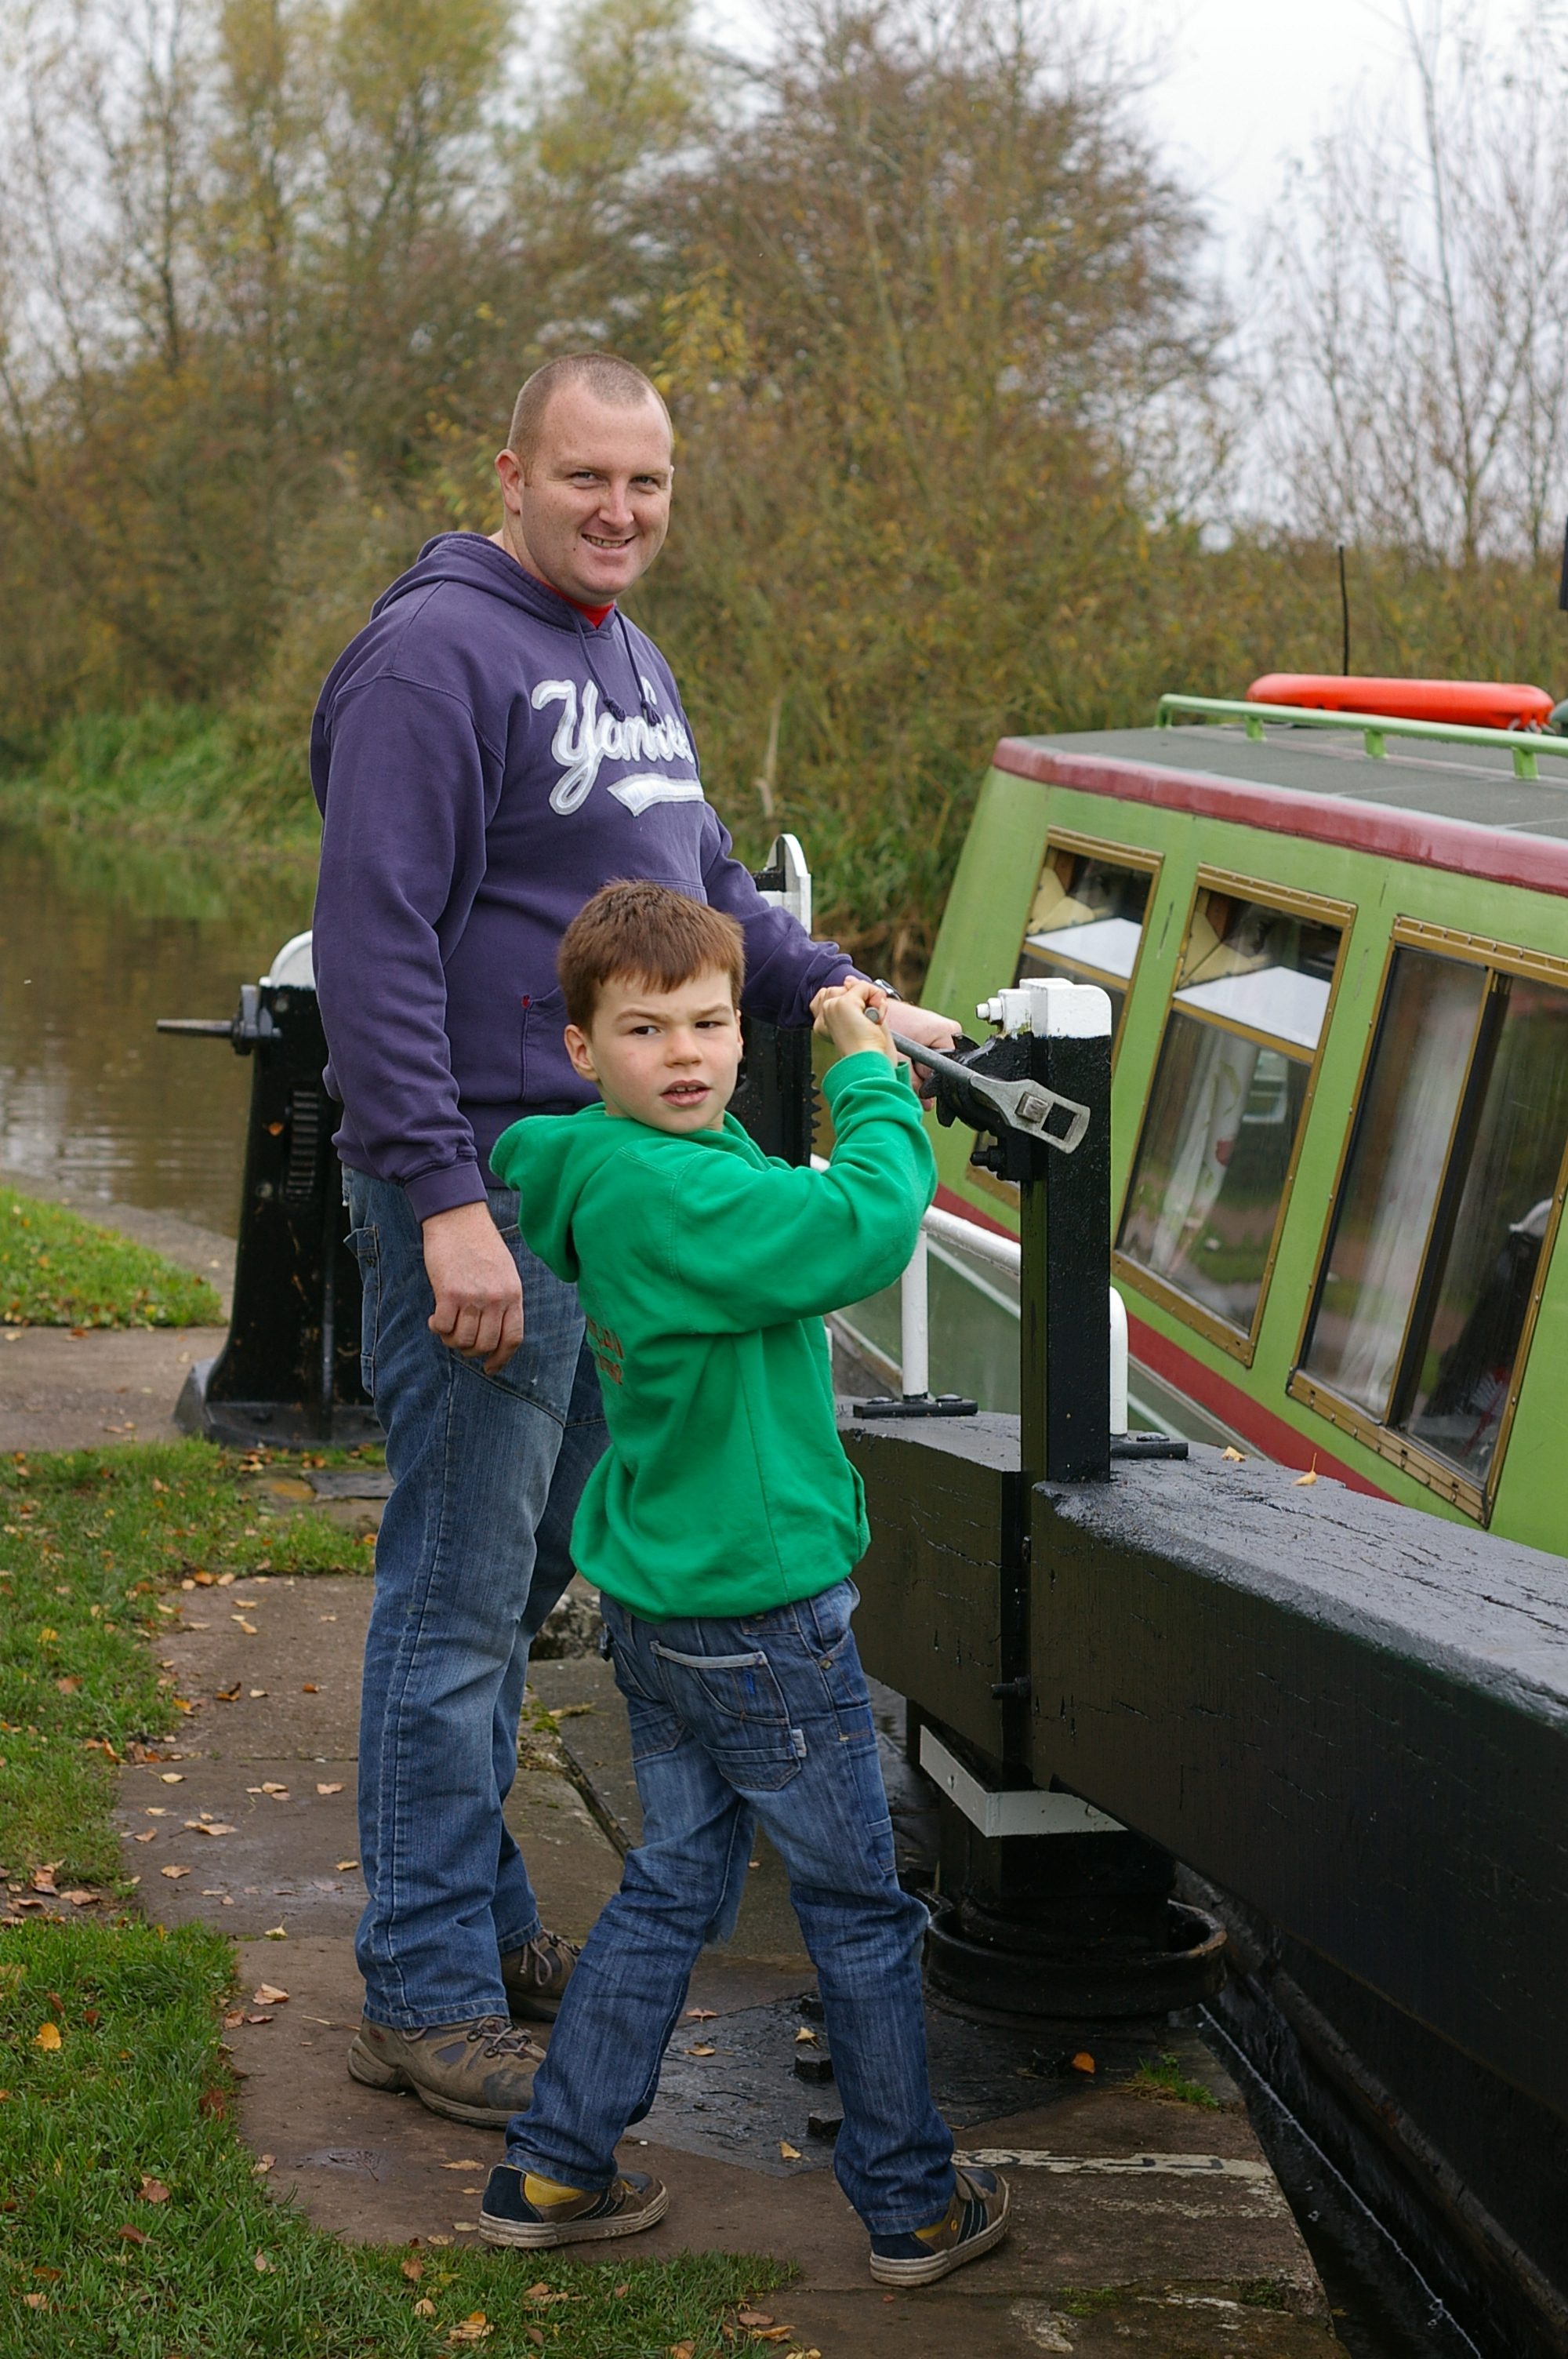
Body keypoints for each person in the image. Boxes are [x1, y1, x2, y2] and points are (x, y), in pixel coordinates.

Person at [309, 351, 961, 2125]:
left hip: (615, 1208)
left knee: (519, 1589)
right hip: (500, 1203)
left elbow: (714, 901)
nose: (619, 513)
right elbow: (368, 944)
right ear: (509, 471)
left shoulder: (627, 657)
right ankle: (425, 1989)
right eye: (586, 479)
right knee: (453, 1604)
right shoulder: (434, 658)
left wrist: (834, 990)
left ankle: (472, 1914)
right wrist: (444, 1201)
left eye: (648, 486)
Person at [476, 880, 1011, 2286]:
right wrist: (872, 1080)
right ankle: (911, 2202)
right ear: (584, 1050)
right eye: (646, 1031)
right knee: (857, 1908)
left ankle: (551, 2168)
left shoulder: (611, 1165)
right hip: (759, 1613)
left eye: (712, 1022)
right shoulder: (673, 1188)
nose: (692, 1054)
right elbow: (862, 1228)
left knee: (675, 1884)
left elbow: (768, 1201)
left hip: (670, 1596)